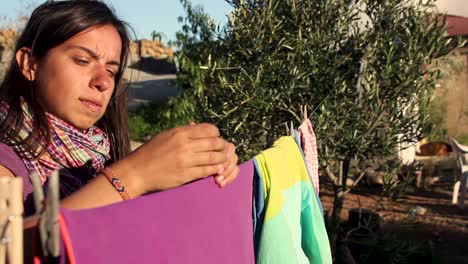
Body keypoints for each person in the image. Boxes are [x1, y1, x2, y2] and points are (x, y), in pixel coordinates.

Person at [0, 0, 239, 210]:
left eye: (112, 71)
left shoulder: (98, 160)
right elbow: (15, 246)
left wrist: (197, 170)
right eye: (83, 61)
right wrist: (135, 176)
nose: (103, 81)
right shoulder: (7, 164)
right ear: (30, 64)